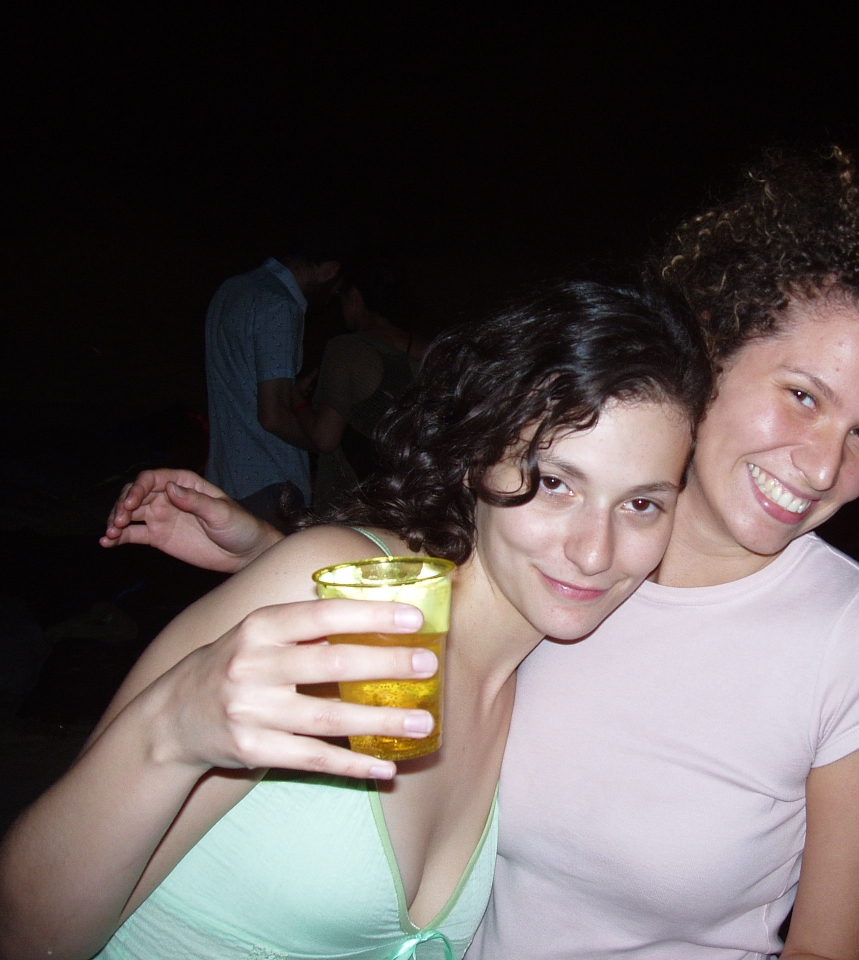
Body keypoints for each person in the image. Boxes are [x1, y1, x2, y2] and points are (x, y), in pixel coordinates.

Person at [95, 147, 859, 959]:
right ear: (715, 345)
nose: (825, 466)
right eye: (804, 396)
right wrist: (275, 558)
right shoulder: (585, 569)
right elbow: (462, 591)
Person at [0, 282, 712, 960]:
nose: (595, 552)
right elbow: (26, 934)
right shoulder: (331, 604)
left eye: (642, 504)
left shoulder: (545, 675)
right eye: (555, 482)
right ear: (476, 458)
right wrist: (172, 731)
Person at [204, 239, 342, 525]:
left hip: (224, 482)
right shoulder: (279, 303)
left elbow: (243, 382)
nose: (334, 295)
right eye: (338, 286)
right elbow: (273, 416)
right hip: (271, 483)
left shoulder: (231, 289)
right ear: (329, 271)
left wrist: (292, 392)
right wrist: (324, 444)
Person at [294, 250, 427, 510]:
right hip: (421, 504)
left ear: (354, 296)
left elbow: (325, 438)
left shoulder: (347, 349)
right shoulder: (435, 352)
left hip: (361, 511)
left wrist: (297, 401)